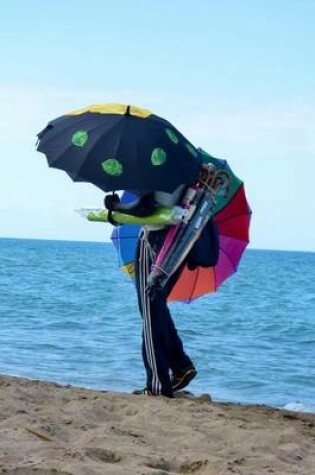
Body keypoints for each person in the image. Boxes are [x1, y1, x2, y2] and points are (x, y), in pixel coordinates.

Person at [105, 164, 219, 397]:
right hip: (179, 242)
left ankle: (158, 385)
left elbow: (145, 205)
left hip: (156, 241)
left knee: (150, 312)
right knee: (155, 308)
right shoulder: (186, 167)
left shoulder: (157, 163)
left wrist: (116, 207)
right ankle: (180, 365)